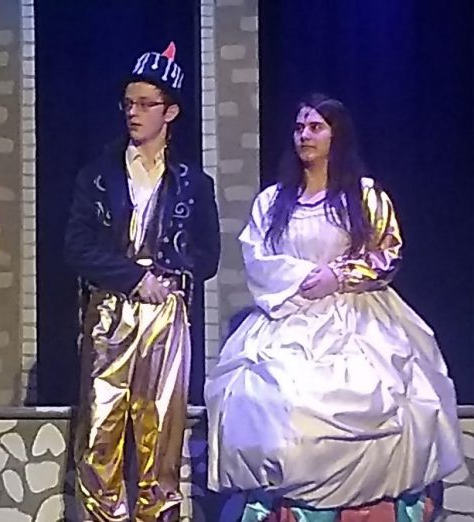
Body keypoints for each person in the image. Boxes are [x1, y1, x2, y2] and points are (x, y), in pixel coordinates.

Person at [205, 94, 463, 521]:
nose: (304, 135)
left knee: (381, 396)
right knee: (274, 399)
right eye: (299, 128)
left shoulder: (362, 196)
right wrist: (300, 278)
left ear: (335, 135)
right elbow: (257, 255)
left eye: (315, 127)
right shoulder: (273, 202)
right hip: (290, 313)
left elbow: (388, 253)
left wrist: (340, 276)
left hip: (356, 315)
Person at [65, 42, 221, 521]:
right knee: (99, 432)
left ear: (169, 112)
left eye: (145, 104)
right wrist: (135, 278)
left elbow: (208, 254)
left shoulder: (193, 183)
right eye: (128, 104)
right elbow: (77, 246)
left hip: (165, 316)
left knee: (160, 432)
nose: (133, 113)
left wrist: (170, 275)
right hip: (110, 312)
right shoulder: (97, 175)